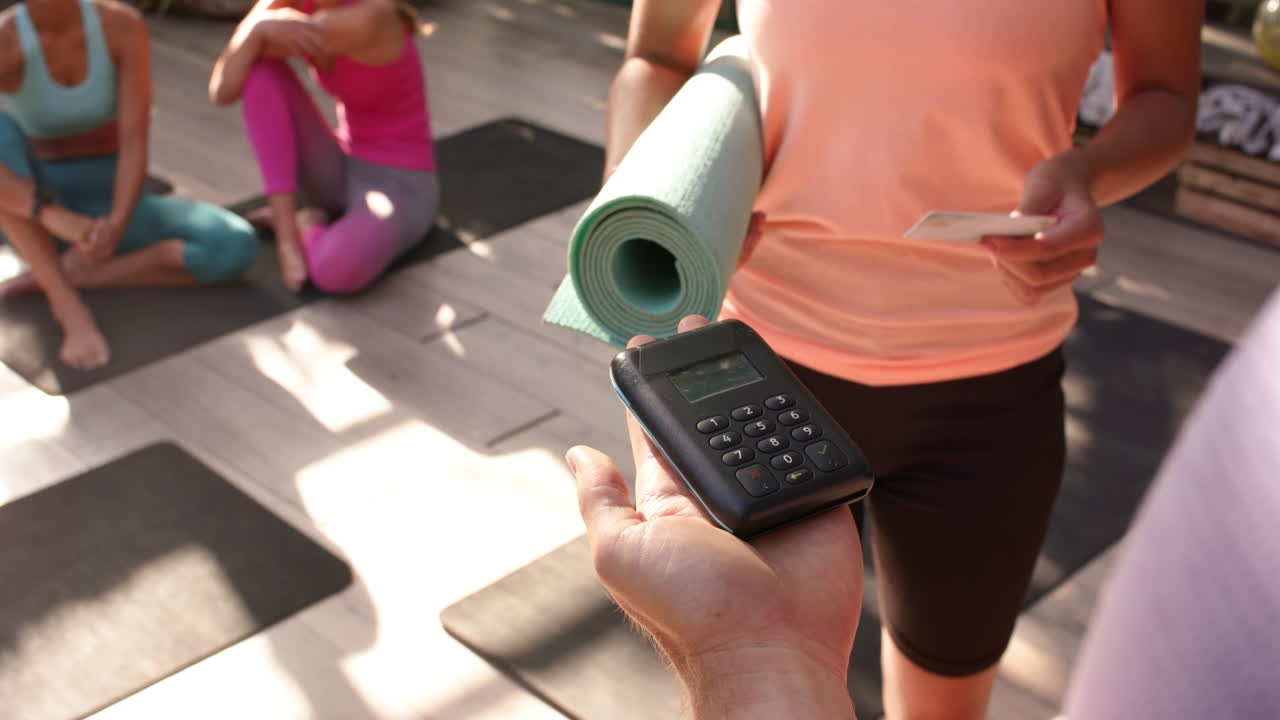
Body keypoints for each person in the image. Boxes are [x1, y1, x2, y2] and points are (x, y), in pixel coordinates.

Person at [604, 2, 1203, 717]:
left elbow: (1166, 99)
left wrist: (1087, 172)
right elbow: (657, 57)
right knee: (752, 685)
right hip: (753, 378)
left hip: (989, 391)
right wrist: (650, 200)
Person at [567, 297, 1280, 718]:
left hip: (997, 380)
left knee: (951, 667)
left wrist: (749, 663)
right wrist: (753, 657)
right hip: (799, 339)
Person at [0, 0, 259, 370]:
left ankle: (80, 275)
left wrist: (118, 224)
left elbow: (135, 138)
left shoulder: (120, 25)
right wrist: (52, 215)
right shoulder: (6, 39)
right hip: (38, 217)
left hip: (112, 199)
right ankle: (67, 306)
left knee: (234, 245)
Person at [209, 0, 438, 294]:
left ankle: (306, 224)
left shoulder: (371, 15)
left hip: (402, 184)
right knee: (260, 72)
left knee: (333, 269)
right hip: (340, 166)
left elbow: (237, 64)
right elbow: (222, 90)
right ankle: (287, 235)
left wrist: (255, 34)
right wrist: (256, 27)